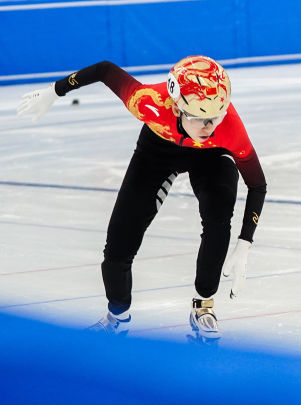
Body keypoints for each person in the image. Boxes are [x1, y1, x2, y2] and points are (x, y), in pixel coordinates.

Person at [16, 56, 267, 341]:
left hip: (210, 158)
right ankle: (117, 317)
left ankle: (203, 307)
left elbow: (257, 185)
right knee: (119, 242)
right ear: (175, 105)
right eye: (200, 119)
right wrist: (55, 90)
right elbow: (105, 70)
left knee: (219, 217)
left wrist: (245, 241)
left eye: (216, 117)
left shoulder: (228, 127)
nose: (209, 126)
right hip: (157, 150)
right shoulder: (146, 100)